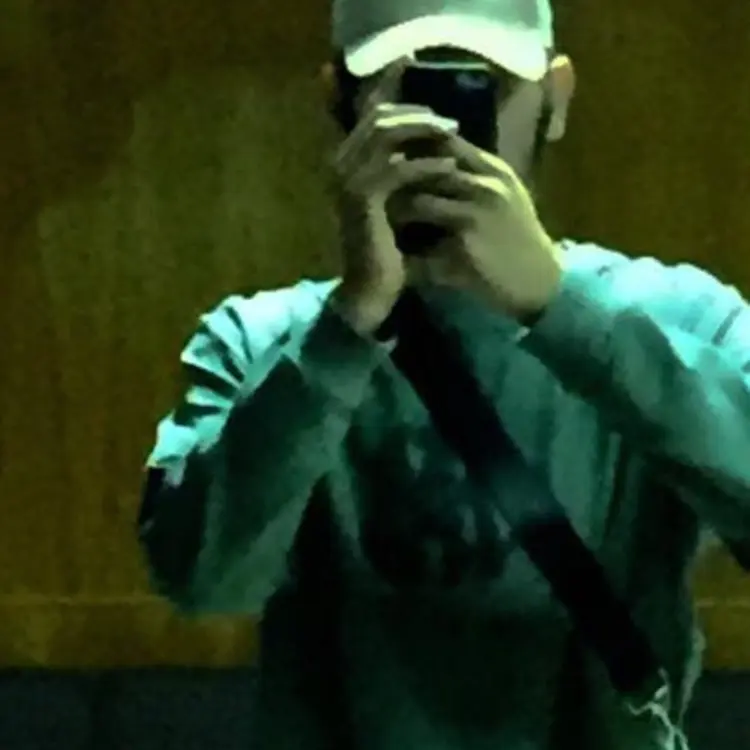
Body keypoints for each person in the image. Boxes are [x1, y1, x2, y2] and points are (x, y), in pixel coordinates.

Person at [137, 0, 750, 748]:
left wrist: (563, 312)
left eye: (482, 87)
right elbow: (201, 581)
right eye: (407, 89)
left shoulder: (681, 321)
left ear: (554, 100)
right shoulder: (259, 343)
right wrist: (348, 328)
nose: (448, 131)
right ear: (340, 101)